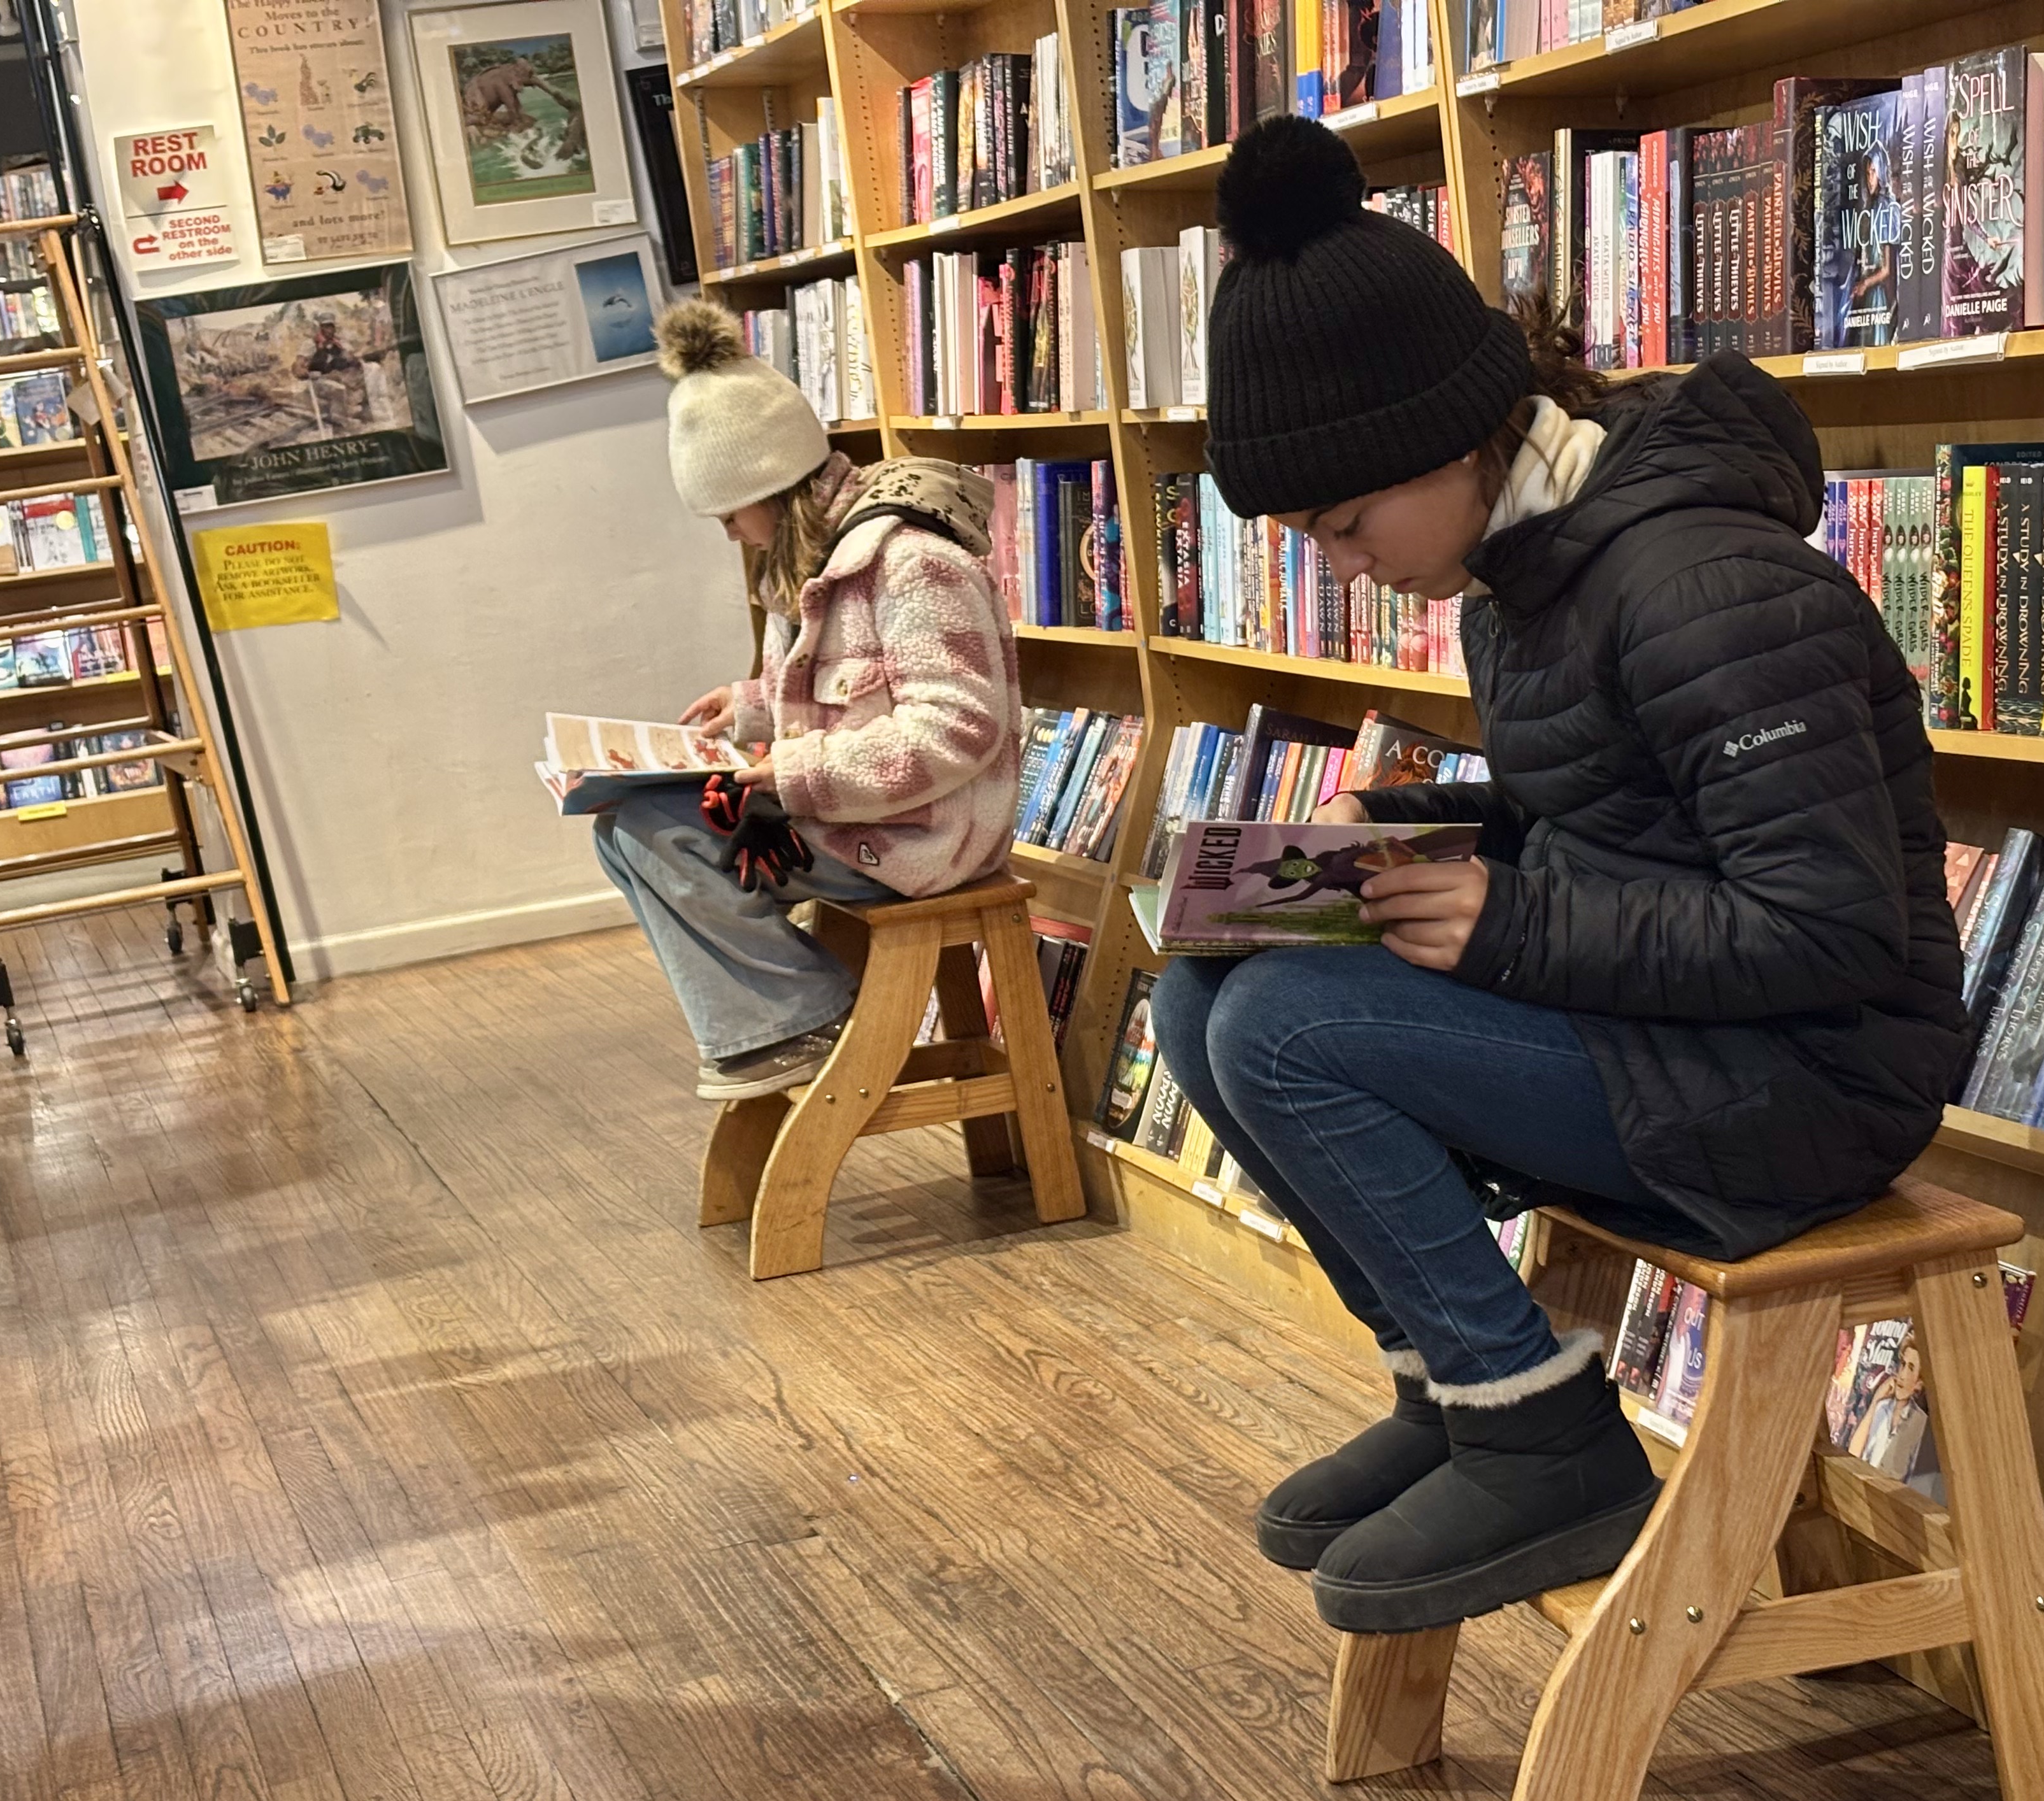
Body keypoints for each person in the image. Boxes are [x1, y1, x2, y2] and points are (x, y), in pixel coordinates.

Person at [1162, 117, 1969, 1634]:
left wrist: (1511, 917)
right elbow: (1628, 823)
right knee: (1201, 989)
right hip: (1677, 1043)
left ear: (1453, 434)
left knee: (1283, 1028)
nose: (1342, 565)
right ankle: (1445, 1378)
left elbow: (1831, 925)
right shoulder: (1519, 581)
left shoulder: (1702, 585)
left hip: (1810, 1083)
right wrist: (1443, 829)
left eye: (1347, 523)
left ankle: (1542, 1435)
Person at [598, 299, 1020, 1099]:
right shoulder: (801, 569)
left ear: (773, 486)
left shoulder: (911, 563)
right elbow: (839, 694)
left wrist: (795, 773)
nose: (728, 532)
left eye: (729, 513)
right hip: (855, 818)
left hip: (923, 836)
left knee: (659, 834)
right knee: (623, 829)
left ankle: (801, 1019)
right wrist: (752, 707)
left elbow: (959, 726)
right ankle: (778, 1023)